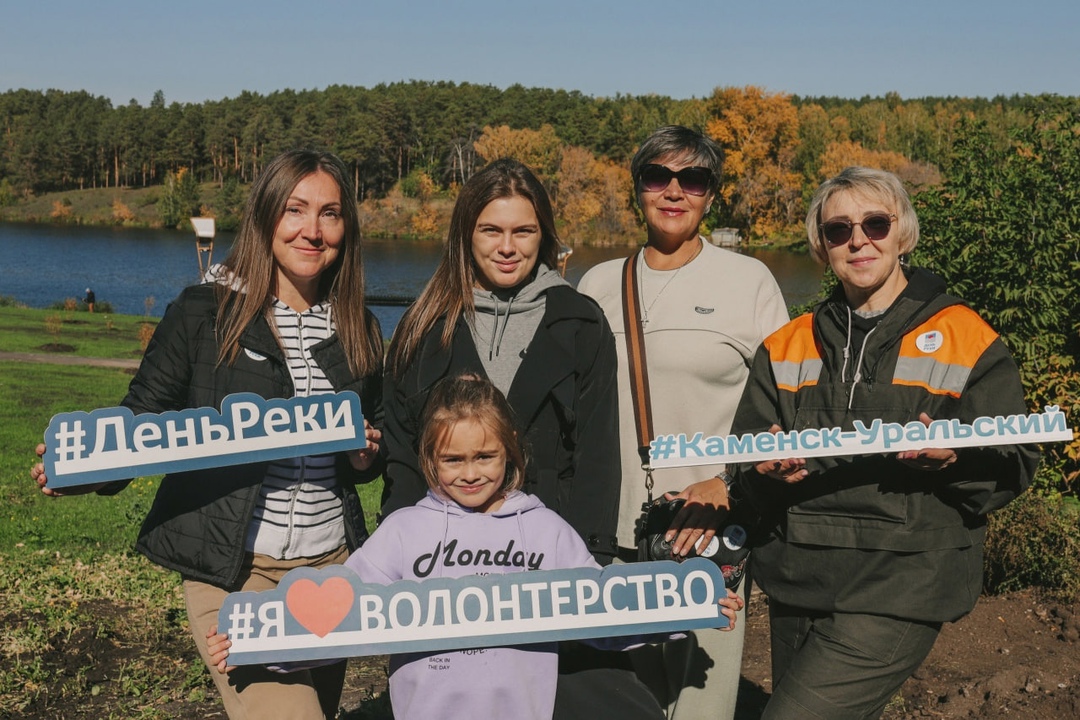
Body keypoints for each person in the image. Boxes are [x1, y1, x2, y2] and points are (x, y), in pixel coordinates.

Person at [32, 149, 385, 720]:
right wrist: (84, 471)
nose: (312, 231)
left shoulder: (358, 325)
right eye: (295, 210)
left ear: (347, 227)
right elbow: (142, 418)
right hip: (235, 571)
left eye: (330, 213)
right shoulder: (205, 313)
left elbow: (376, 440)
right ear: (266, 214)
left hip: (332, 568)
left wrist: (366, 455)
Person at [208, 374, 745, 720]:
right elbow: (339, 606)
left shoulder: (545, 529)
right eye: (453, 461)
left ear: (510, 453)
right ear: (429, 462)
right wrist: (263, 641)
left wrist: (685, 604)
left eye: (485, 456)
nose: (470, 474)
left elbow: (604, 610)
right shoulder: (404, 531)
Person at [729, 166, 1040, 719]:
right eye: (837, 229)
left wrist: (953, 459)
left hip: (903, 582)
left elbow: (1016, 461)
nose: (858, 240)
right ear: (821, 247)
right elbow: (745, 458)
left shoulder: (965, 337)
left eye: (875, 223)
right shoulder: (787, 344)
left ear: (903, 233)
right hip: (800, 574)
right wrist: (763, 469)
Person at [380, 158, 639, 716]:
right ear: (465, 234)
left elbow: (597, 455)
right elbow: (402, 454)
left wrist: (589, 569)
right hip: (441, 572)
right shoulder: (424, 326)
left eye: (523, 231)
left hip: (543, 566)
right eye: (491, 230)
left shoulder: (580, 322)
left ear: (543, 234)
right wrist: (401, 569)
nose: (507, 246)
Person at [578, 125, 789, 720]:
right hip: (614, 540)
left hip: (708, 538)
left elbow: (784, 412)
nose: (674, 191)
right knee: (626, 705)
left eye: (692, 179)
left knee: (701, 707)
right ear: (638, 189)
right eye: (658, 176)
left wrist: (730, 485)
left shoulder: (749, 282)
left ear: (710, 194)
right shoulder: (596, 284)